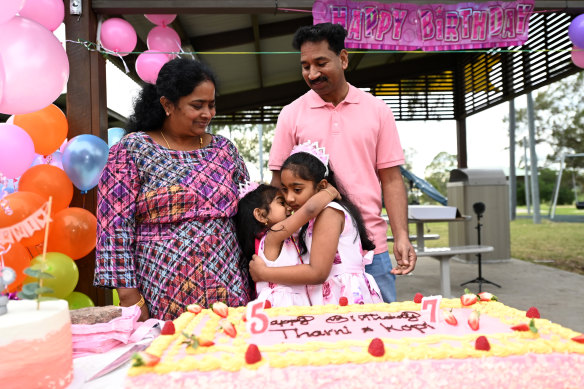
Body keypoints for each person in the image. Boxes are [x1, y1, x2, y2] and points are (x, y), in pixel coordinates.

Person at [268, 23, 416, 303]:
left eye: (321, 63)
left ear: (344, 59)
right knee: (318, 339)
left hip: (371, 249)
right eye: (305, 66)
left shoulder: (378, 110)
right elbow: (277, 186)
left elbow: (392, 180)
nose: (312, 74)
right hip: (309, 250)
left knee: (380, 337)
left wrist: (402, 236)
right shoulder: (291, 114)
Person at [94, 58, 252, 321]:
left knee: (228, 355)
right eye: (197, 105)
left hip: (230, 288)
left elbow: (249, 212)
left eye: (211, 105)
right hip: (161, 294)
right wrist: (132, 300)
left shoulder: (225, 149)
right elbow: (114, 230)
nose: (208, 113)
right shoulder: (132, 150)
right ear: (167, 104)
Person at [251, 143, 382, 305]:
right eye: (284, 189)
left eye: (297, 190)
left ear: (321, 186)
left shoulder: (329, 212)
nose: (289, 198)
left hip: (343, 298)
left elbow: (318, 272)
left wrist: (264, 273)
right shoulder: (312, 218)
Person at [235, 179, 340, 307]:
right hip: (282, 306)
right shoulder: (273, 236)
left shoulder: (288, 236)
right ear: (261, 215)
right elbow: (309, 210)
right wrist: (329, 191)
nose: (289, 207)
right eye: (281, 203)